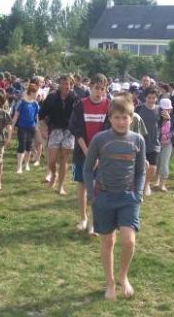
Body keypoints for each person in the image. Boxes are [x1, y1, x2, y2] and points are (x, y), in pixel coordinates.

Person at [83, 97, 146, 300]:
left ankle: (123, 276)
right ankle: (109, 282)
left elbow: (140, 171)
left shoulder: (138, 140)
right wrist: (92, 196)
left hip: (128, 197)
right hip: (104, 197)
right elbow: (86, 168)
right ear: (110, 118)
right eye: (117, 117)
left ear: (131, 118)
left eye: (125, 117)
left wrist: (138, 194)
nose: (121, 121)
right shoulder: (100, 139)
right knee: (108, 241)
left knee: (128, 241)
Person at [69, 73, 109, 236]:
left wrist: (98, 156)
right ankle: (83, 218)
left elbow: (109, 131)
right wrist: (88, 152)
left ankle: (94, 222)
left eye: (102, 88)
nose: (99, 91)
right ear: (90, 87)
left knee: (98, 187)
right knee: (82, 184)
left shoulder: (109, 105)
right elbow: (76, 130)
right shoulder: (80, 105)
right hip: (81, 151)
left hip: (103, 153)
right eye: (96, 88)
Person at [39, 75, 78, 195]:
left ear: (72, 85)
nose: (66, 86)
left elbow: (78, 116)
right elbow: (41, 114)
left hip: (69, 131)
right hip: (55, 129)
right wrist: (43, 128)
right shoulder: (51, 97)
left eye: (68, 84)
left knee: (64, 160)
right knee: (51, 160)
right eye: (64, 83)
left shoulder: (75, 98)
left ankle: (60, 186)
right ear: (59, 84)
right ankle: (53, 174)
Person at [136, 87, 160, 196]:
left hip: (154, 142)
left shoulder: (160, 110)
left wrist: (167, 119)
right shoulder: (138, 108)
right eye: (149, 97)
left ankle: (146, 184)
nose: (151, 100)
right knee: (139, 165)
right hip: (139, 142)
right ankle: (137, 185)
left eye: (153, 98)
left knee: (152, 167)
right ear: (145, 97)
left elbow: (163, 125)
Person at [12, 83, 40, 174]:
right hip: (22, 127)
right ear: (31, 92)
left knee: (28, 146)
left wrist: (38, 127)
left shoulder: (35, 104)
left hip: (31, 127)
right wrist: (12, 127)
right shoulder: (22, 102)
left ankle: (26, 164)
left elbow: (37, 117)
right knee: (21, 145)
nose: (37, 95)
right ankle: (19, 167)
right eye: (36, 93)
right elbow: (16, 115)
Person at [156, 98, 174, 192]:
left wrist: (169, 135)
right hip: (156, 144)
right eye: (164, 109)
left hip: (167, 144)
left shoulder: (172, 117)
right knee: (157, 162)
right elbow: (156, 129)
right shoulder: (156, 117)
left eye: (168, 109)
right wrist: (165, 120)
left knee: (164, 163)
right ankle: (155, 179)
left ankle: (162, 184)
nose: (167, 111)